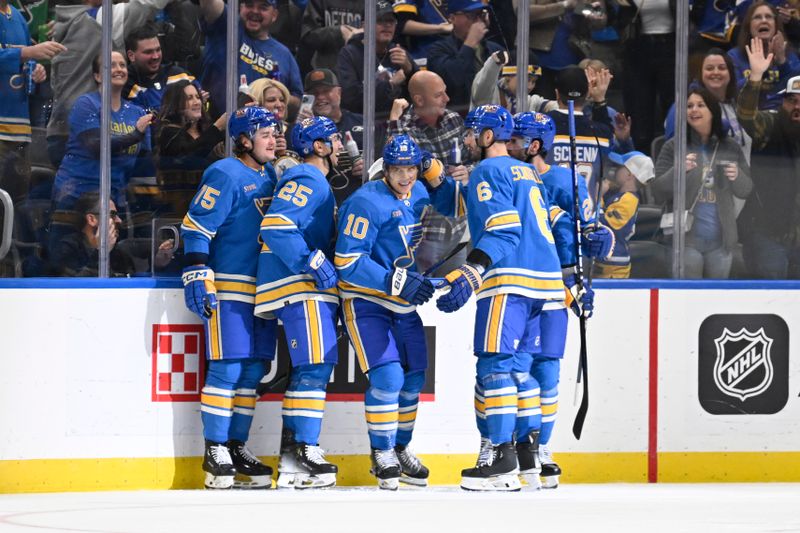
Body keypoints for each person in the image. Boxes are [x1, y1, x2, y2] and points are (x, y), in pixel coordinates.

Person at [435, 105, 566, 492]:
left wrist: (475, 268)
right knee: (521, 371)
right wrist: (435, 177)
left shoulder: (487, 170)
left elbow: (503, 229)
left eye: (472, 133)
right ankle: (528, 455)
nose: (466, 140)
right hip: (547, 281)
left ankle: (501, 457)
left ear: (488, 136)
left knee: (495, 367)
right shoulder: (526, 170)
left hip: (510, 280)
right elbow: (465, 205)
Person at [335, 135, 458, 489]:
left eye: (411, 169)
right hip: (367, 301)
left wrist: (436, 173)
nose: (405, 176)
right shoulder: (365, 203)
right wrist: (397, 281)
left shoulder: (419, 191)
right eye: (398, 169)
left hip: (402, 303)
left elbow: (453, 206)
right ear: (386, 169)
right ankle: (382, 452)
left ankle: (401, 448)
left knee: (414, 377)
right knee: (388, 377)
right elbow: (347, 261)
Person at [505, 111, 612, 488]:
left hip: (557, 286)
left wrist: (599, 244)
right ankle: (519, 441)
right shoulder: (506, 177)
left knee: (547, 370)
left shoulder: (564, 181)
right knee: (515, 369)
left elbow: (594, 230)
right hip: (519, 284)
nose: (508, 144)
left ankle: (541, 449)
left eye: (515, 139)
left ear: (534, 145)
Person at [180, 106, 280, 489]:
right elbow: (196, 226)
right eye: (265, 134)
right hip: (229, 286)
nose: (273, 139)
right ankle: (215, 448)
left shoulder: (270, 174)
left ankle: (236, 445)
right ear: (243, 140)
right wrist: (197, 272)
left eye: (274, 132)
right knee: (229, 367)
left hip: (265, 289)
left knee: (253, 370)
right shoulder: (224, 173)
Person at [254, 116, 343, 489]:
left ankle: (293, 457)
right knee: (316, 366)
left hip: (300, 285)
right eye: (335, 140)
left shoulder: (315, 179)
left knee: (312, 367)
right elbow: (275, 226)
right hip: (298, 284)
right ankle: (304, 450)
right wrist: (311, 259)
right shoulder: (309, 177)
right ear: (319, 147)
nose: (342, 146)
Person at [48, 0, 175, 167]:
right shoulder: (96, 20)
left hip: (59, 131)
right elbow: (148, 4)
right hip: (87, 132)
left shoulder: (64, 23)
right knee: (93, 190)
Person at [50, 52, 154, 244]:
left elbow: (143, 160)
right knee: (69, 253)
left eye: (122, 65)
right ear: (97, 76)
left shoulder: (136, 112)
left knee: (112, 254)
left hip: (114, 198)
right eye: (111, 65)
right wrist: (135, 134)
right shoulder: (86, 104)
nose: (119, 69)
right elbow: (96, 145)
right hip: (76, 195)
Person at [652, 88, 752, 279]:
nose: (693, 110)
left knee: (717, 301)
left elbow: (745, 190)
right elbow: (657, 191)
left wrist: (738, 176)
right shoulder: (674, 146)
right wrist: (678, 171)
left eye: (700, 105)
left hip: (721, 242)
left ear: (712, 111)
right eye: (689, 106)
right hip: (685, 240)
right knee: (687, 301)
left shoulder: (729, 146)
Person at [736, 38, 800, 278]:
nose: (797, 106)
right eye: (791, 100)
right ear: (782, 102)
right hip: (767, 234)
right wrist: (755, 77)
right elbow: (746, 115)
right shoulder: (771, 124)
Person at [0, 0, 64, 227]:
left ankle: (9, 262)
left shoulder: (17, 17)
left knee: (14, 208)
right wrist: (28, 52)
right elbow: (24, 53)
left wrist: (35, 70)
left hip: (19, 129)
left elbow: (26, 60)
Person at [199, 0, 302, 116]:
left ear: (274, 15)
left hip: (263, 130)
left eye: (263, 7)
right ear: (240, 7)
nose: (254, 11)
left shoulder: (284, 54)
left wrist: (277, 91)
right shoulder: (228, 24)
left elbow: (298, 100)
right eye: (249, 5)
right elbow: (210, 4)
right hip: (217, 124)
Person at [545, 66, 615, 211]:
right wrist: (599, 99)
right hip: (586, 220)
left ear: (557, 93)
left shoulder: (543, 126)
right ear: (587, 93)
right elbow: (606, 130)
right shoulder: (601, 133)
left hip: (550, 218)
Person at [664, 48, 753, 164]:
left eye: (722, 68)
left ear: (731, 73)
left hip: (740, 178)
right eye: (709, 68)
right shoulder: (685, 106)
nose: (716, 72)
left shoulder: (738, 104)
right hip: (700, 178)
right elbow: (673, 149)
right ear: (701, 74)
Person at [156, 80, 226, 217]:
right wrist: (216, 128)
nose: (197, 102)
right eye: (189, 98)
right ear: (176, 103)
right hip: (179, 210)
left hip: (211, 206)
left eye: (197, 97)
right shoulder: (168, 132)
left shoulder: (206, 131)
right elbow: (189, 156)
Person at [336, 0, 417, 118]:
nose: (387, 25)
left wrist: (410, 69)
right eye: (380, 20)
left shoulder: (399, 52)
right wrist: (390, 84)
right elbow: (350, 98)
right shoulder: (349, 54)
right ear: (364, 25)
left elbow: (421, 91)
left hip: (401, 120)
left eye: (391, 21)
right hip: (364, 123)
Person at [386, 71, 471, 183]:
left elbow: (473, 159)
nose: (447, 98)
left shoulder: (453, 119)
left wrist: (467, 172)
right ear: (419, 100)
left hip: (458, 194)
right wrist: (394, 121)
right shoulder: (403, 130)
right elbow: (399, 175)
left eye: (445, 92)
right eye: (438, 95)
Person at [426, 0, 505, 114]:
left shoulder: (495, 49)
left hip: (492, 113)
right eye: (472, 15)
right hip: (455, 118)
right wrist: (470, 43)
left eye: (481, 15)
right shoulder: (438, 50)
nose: (478, 21)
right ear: (452, 18)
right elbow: (453, 81)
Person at [298, 68, 365, 202]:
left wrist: (369, 167)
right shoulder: (300, 132)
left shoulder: (363, 123)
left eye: (326, 91)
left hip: (359, 204)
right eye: (314, 93)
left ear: (339, 92)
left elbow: (381, 162)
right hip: (320, 205)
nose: (321, 97)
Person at [728, 1, 800, 111]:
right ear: (749, 26)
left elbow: (796, 90)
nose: (764, 20)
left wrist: (782, 62)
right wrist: (760, 72)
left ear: (776, 25)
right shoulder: (734, 56)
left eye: (769, 17)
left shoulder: (789, 54)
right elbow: (733, 91)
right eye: (757, 17)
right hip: (751, 116)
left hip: (784, 116)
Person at [595, 151, 655, 278]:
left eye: (620, 167)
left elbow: (607, 226)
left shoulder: (629, 199)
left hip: (614, 264)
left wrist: (597, 198)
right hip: (608, 258)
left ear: (629, 175)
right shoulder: (620, 196)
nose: (615, 170)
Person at [50, 193, 134, 277]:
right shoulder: (67, 250)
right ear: (91, 219)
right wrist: (100, 253)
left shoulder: (118, 254)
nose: (119, 221)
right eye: (112, 215)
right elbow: (74, 286)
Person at [123, 24, 200, 112]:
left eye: (158, 50)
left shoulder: (180, 75)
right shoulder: (124, 84)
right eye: (148, 52)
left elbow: (203, 106)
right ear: (131, 55)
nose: (155, 56)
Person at [471, 50, 557, 114]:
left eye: (534, 82)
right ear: (508, 76)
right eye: (526, 79)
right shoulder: (487, 94)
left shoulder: (529, 101)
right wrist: (494, 63)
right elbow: (484, 81)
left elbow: (554, 106)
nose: (530, 86)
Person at [300, 0, 364, 72]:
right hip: (327, 72)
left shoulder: (369, 3)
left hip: (359, 70)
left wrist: (365, 33)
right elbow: (308, 37)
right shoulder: (319, 2)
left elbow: (378, 26)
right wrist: (338, 32)